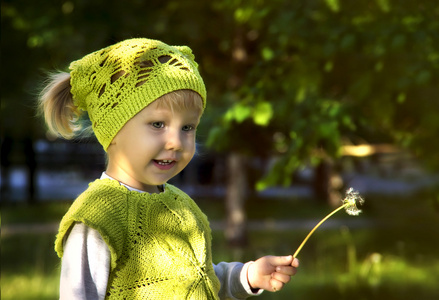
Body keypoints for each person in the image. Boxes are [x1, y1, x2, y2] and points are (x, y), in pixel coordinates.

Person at [39, 38, 299, 299]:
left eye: (188, 128)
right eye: (157, 124)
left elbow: (195, 282)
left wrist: (248, 276)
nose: (176, 142)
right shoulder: (98, 217)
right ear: (114, 129)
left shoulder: (181, 206)